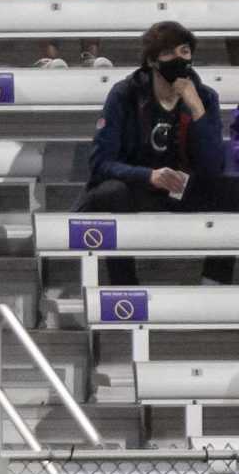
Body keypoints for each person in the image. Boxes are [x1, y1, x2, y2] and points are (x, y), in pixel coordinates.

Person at [72, 20, 239, 284]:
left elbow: (212, 167)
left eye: (185, 51)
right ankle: (124, 288)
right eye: (169, 53)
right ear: (152, 61)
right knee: (112, 193)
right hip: (134, 186)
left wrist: (196, 108)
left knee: (232, 190)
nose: (179, 59)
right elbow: (101, 163)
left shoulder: (205, 97)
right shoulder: (125, 94)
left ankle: (214, 281)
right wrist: (148, 175)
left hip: (179, 187)